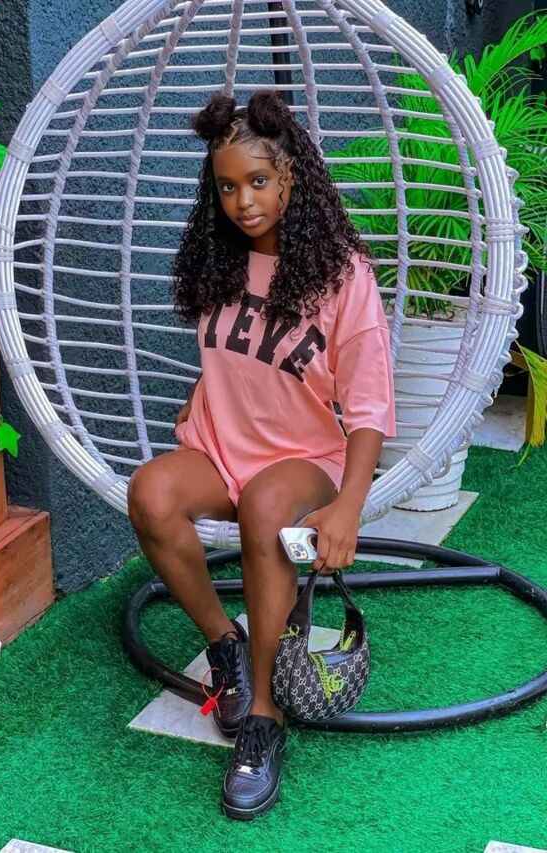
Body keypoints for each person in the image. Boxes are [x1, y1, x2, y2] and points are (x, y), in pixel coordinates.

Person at [127, 89, 396, 821]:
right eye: (226, 186)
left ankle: (264, 717)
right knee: (151, 493)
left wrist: (349, 506)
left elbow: (369, 407)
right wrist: (200, 391)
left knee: (267, 505)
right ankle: (228, 647)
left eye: (258, 181)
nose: (242, 201)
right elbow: (241, 352)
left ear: (291, 177)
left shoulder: (344, 275)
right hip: (220, 448)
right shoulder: (219, 260)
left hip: (304, 458)